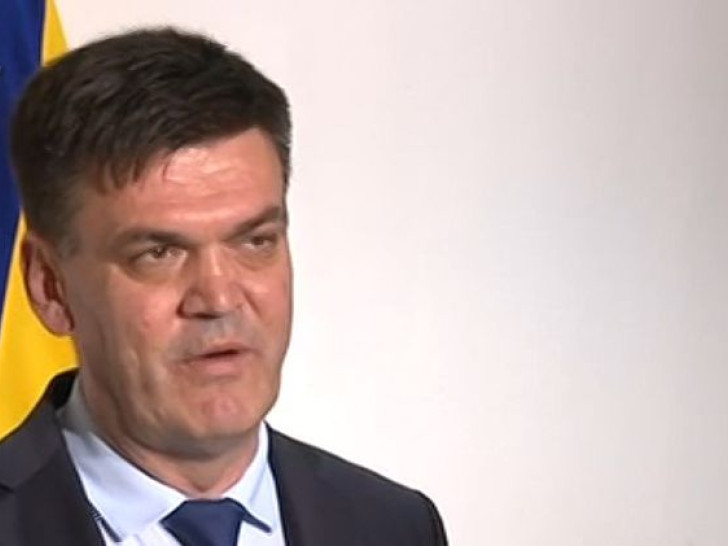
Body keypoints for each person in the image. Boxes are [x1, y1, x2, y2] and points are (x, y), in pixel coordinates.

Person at [0, 27, 447, 546]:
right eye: (159, 253)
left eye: (255, 242)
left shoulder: (394, 525)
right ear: (51, 287)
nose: (219, 298)